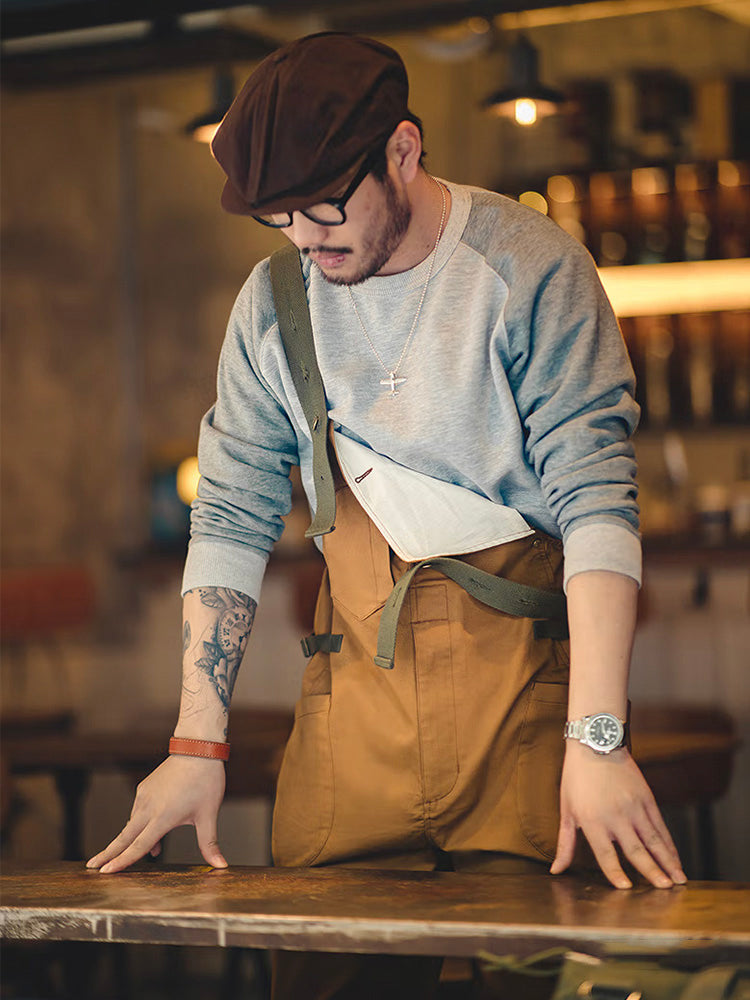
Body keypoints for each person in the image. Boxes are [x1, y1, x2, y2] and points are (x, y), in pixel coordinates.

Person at [88, 31, 686, 999]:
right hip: (351, 727)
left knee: (530, 975)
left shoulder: (529, 270)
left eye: (326, 205)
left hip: (521, 720)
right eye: (279, 215)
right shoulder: (274, 304)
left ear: (402, 151)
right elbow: (231, 513)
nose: (304, 238)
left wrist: (599, 737)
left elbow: (598, 499)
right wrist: (197, 743)